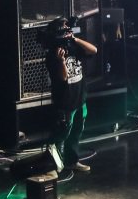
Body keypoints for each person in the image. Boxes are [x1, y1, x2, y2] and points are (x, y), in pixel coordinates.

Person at [42, 16, 98, 179]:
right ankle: (50, 165)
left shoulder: (73, 46)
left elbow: (94, 50)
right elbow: (63, 77)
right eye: (64, 29)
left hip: (80, 98)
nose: (67, 31)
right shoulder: (52, 55)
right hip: (65, 102)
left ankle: (71, 161)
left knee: (76, 132)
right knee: (60, 135)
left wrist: (75, 39)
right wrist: (61, 61)